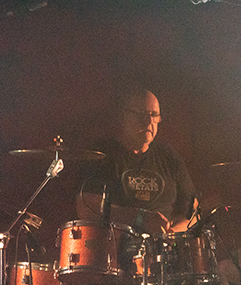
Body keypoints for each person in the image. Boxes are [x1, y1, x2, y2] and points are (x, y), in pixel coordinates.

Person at [76, 88, 199, 237]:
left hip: (165, 246)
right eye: (141, 114)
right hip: (116, 244)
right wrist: (141, 218)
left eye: (154, 115)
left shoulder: (169, 157)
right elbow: (87, 208)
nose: (149, 121)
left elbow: (193, 212)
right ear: (123, 117)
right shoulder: (103, 156)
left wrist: (171, 234)